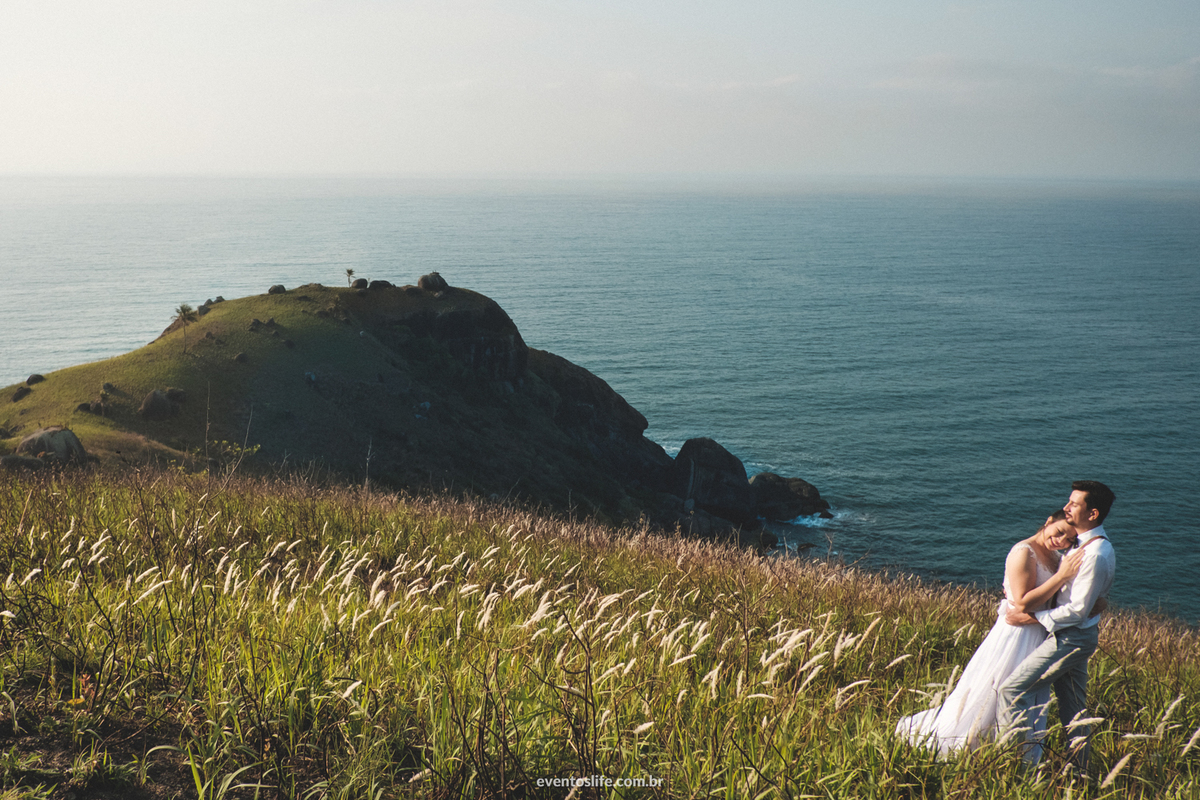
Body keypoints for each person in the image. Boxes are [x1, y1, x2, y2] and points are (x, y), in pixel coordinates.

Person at [896, 512, 1087, 756]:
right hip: (1016, 634)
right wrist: (1062, 576)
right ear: (1049, 520)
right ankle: (974, 743)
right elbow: (1021, 603)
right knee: (995, 688)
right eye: (1059, 531)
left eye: (1069, 539)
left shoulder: (1054, 555)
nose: (1061, 540)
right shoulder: (1023, 552)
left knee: (1027, 695)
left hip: (1038, 633)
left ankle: (1013, 749)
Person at [998, 480, 1116, 772]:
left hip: (1071, 637)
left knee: (1010, 690)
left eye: (1074, 504)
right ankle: (1081, 772)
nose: (1066, 507)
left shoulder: (1095, 554)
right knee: (1074, 710)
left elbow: (1076, 611)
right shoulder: (1083, 545)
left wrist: (1031, 618)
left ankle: (1016, 767)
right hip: (1078, 635)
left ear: (1092, 514)